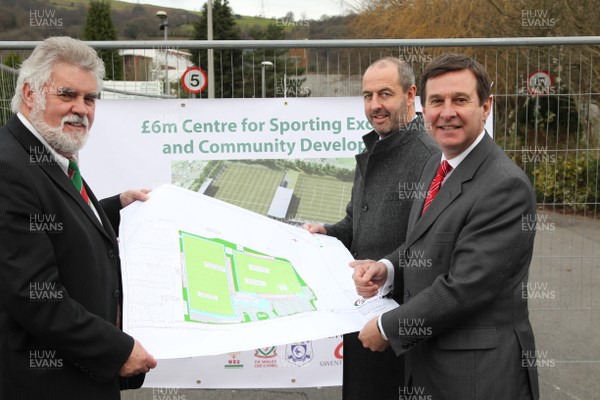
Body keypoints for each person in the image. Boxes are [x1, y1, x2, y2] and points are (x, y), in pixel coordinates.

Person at [354, 53, 540, 399]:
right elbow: (423, 242)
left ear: (486, 106)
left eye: (460, 100)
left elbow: (464, 288)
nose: (447, 112)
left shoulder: (504, 186)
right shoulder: (436, 166)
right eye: (437, 101)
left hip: (477, 377)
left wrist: (385, 327)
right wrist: (388, 267)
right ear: (424, 107)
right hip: (430, 365)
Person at [0, 36, 157, 400]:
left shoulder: (47, 154)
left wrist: (115, 208)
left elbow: (52, 225)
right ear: (29, 94)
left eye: (89, 99)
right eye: (67, 95)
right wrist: (116, 349)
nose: (81, 109)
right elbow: (33, 295)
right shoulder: (9, 168)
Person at [304, 57, 438, 400]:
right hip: (362, 314)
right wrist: (329, 233)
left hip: (401, 326)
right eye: (367, 96)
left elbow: (432, 243)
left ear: (410, 96)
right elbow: (355, 223)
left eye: (384, 94)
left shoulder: (430, 157)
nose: (375, 105)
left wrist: (385, 268)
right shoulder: (375, 148)